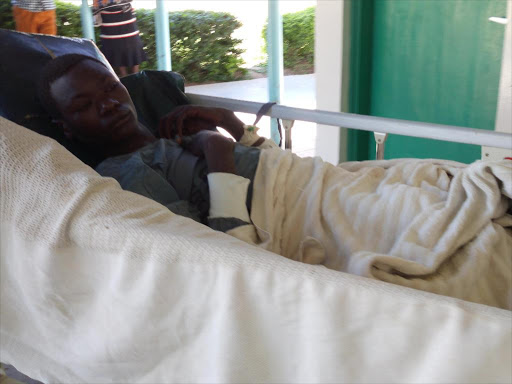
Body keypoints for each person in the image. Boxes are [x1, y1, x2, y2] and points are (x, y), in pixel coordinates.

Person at [38, 53, 278, 240]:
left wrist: (231, 123)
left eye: (111, 87)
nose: (109, 104)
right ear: (66, 127)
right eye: (84, 105)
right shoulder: (125, 175)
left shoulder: (176, 139)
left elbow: (278, 164)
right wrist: (218, 149)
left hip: (305, 182)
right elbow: (221, 252)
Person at [92, 0, 146, 77]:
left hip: (125, 15)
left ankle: (135, 77)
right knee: (116, 46)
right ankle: (125, 78)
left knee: (134, 46)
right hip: (109, 17)